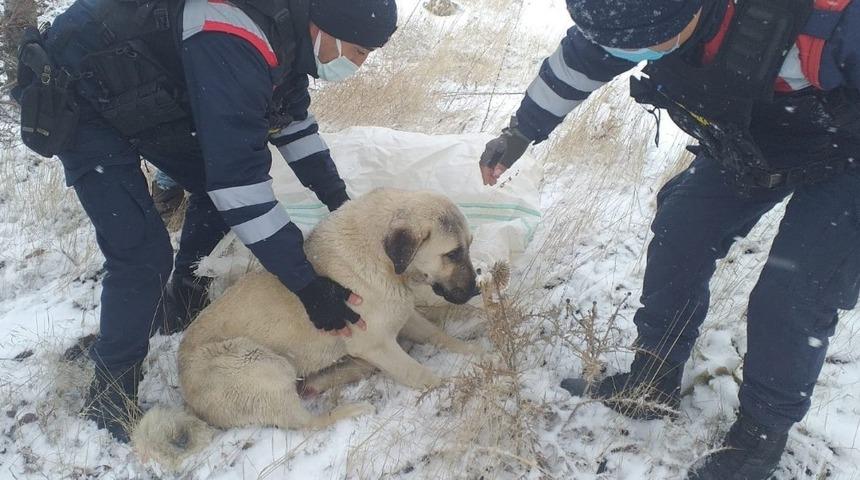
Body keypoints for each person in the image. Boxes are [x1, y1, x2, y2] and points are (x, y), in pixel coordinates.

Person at [479, 0, 859, 478]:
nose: (629, 53)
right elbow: (580, 58)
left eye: (644, 46)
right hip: (754, 140)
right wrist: (520, 131)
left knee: (795, 289)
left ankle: (760, 436)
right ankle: (653, 380)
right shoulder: (629, 16)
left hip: (848, 154)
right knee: (681, 229)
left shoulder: (831, 24)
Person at [13, 0, 397, 442]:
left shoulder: (286, 33)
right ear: (325, 28)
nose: (357, 65)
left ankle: (183, 303)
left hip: (143, 86)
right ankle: (110, 394)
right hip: (78, 89)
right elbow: (240, 185)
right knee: (142, 254)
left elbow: (291, 121)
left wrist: (342, 205)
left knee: (215, 191)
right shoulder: (233, 33)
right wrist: (307, 285)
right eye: (358, 52)